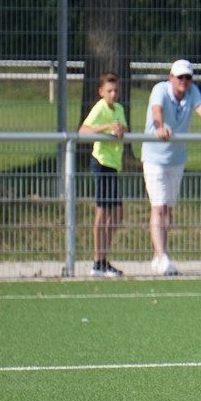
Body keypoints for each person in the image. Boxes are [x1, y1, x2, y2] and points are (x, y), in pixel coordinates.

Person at [142, 59, 201, 276]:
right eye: (180, 77)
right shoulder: (160, 90)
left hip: (176, 158)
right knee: (158, 207)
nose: (184, 81)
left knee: (168, 208)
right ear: (171, 77)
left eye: (188, 77)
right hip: (155, 158)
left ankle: (159, 255)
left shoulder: (192, 92)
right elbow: (157, 111)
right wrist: (160, 127)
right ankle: (161, 255)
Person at [78, 72, 127, 277]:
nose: (113, 94)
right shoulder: (99, 108)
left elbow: (123, 129)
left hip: (114, 164)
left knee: (117, 214)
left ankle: (103, 258)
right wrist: (106, 127)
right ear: (101, 92)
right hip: (102, 163)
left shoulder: (119, 109)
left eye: (116, 90)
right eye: (109, 91)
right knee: (103, 213)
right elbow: (83, 131)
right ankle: (98, 262)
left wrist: (121, 130)